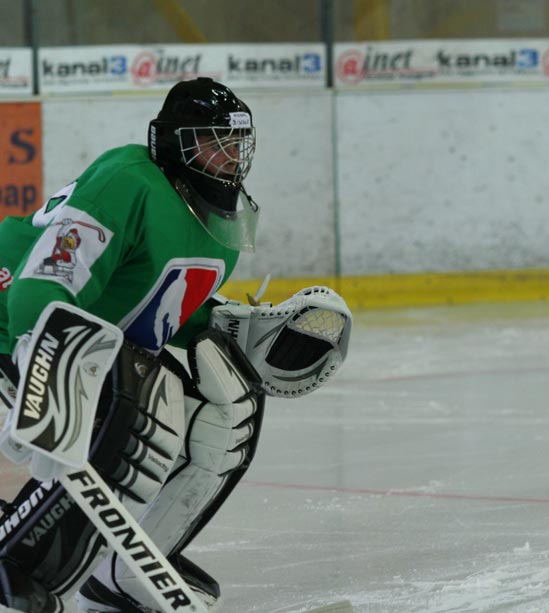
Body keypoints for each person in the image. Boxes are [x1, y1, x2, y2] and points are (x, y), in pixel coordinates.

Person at [0, 77, 351, 612]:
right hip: (15, 325)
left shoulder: (221, 225)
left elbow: (158, 310)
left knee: (228, 410)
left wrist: (228, 328)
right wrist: (44, 358)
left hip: (85, 339)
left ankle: (125, 574)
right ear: (173, 143)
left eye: (238, 145)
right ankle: (15, 560)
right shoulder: (128, 179)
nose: (230, 157)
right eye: (214, 143)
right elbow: (45, 280)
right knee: (134, 405)